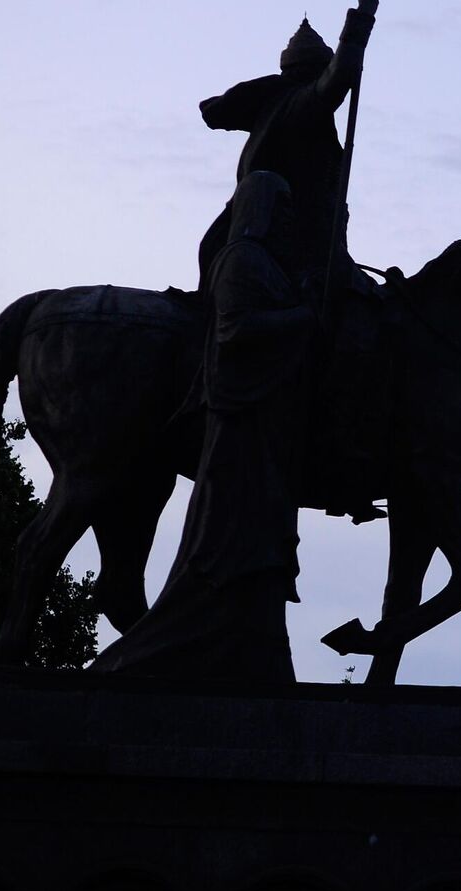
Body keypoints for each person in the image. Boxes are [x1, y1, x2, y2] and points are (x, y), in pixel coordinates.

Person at [93, 172, 316, 681]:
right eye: (280, 207)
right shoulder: (240, 260)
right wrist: (301, 318)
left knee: (262, 548)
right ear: (260, 208)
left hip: (264, 430)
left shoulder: (268, 265)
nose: (287, 218)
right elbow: (237, 332)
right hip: (239, 430)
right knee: (231, 544)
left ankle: (260, 655)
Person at [195, 0, 379, 293]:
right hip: (290, 249)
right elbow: (339, 76)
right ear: (317, 71)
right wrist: (364, 15)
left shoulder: (282, 108)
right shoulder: (299, 106)